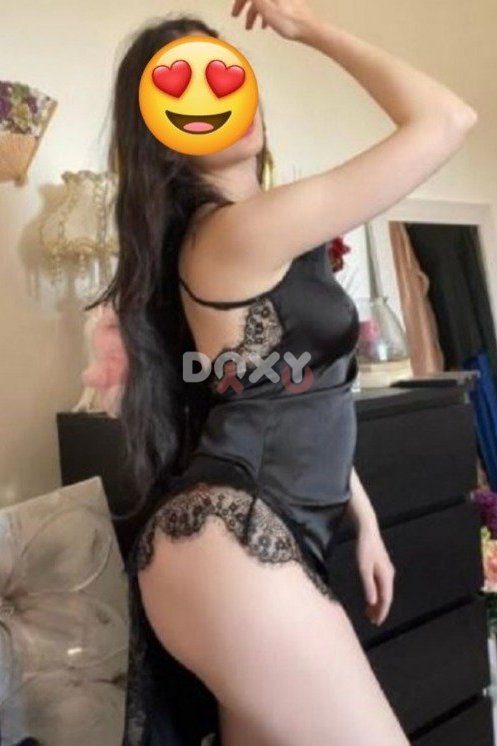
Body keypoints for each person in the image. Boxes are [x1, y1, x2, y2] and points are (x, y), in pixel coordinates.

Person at [85, 2, 477, 744]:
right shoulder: (238, 231)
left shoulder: (229, 235)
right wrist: (309, 28)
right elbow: (446, 119)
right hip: (235, 538)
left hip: (237, 540)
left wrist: (360, 516)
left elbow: (286, 394)